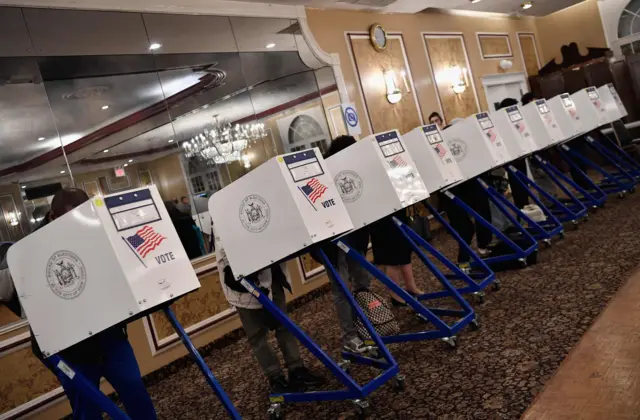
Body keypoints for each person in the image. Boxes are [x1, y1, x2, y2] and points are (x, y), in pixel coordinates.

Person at [23, 188, 157, 419]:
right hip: (70, 347)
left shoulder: (95, 229)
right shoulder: (33, 251)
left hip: (108, 336)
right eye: (69, 221)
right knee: (87, 409)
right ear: (52, 217)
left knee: (136, 393)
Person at [215, 232, 324, 394]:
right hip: (242, 280)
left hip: (271, 273)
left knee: (284, 326)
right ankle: (275, 377)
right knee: (257, 335)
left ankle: (297, 369)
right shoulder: (220, 211)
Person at [310, 135, 371, 354]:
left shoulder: (351, 170)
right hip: (331, 246)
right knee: (342, 290)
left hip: (355, 238)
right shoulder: (320, 176)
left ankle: (366, 325)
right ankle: (350, 337)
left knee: (363, 281)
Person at [498, 97, 531, 210]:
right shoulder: (501, 122)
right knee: (517, 184)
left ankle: (526, 204)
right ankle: (521, 207)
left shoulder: (515, 119)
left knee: (524, 181)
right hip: (512, 157)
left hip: (521, 154)